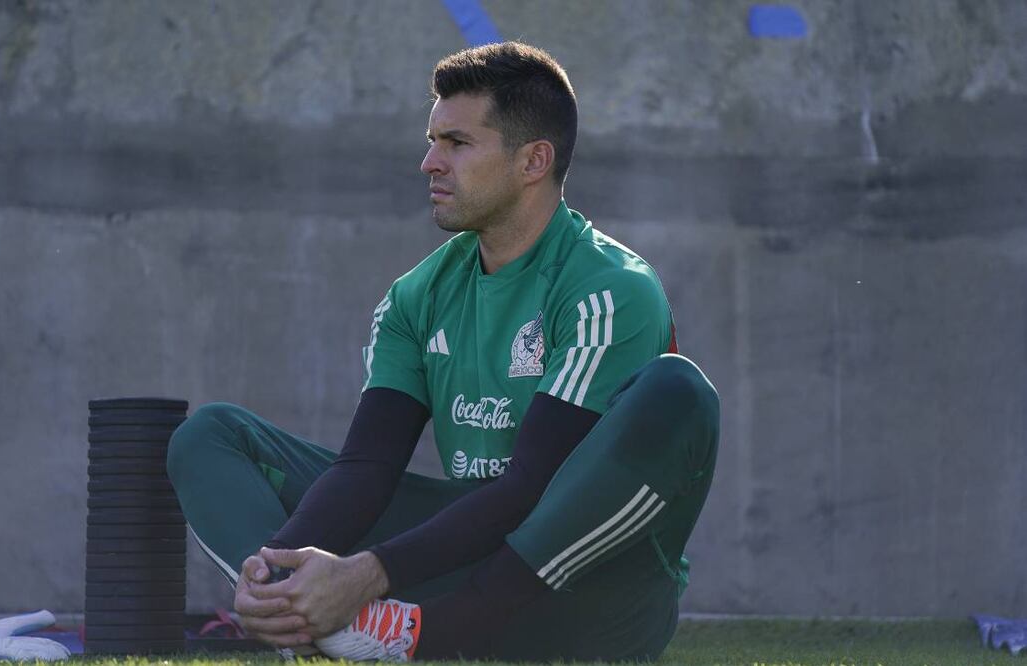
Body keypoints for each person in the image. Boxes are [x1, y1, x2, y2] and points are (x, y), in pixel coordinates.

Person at [167, 41, 719, 662]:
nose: (429, 162)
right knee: (210, 435)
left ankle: (430, 632)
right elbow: (366, 468)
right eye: (432, 140)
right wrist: (284, 569)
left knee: (680, 389)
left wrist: (370, 571)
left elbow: (532, 489)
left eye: (457, 143)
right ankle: (304, 619)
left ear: (533, 160)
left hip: (585, 592)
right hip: (465, 552)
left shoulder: (609, 289)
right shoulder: (417, 295)